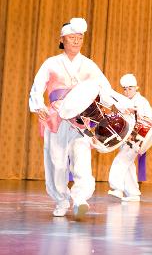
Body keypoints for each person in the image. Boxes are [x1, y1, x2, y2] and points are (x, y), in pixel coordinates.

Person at [29, 18, 123, 218]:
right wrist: (38, 105)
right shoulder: (52, 63)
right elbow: (38, 86)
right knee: (57, 161)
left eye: (79, 38)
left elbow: (104, 87)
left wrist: (122, 105)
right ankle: (61, 200)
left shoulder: (88, 65)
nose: (76, 41)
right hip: (57, 116)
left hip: (82, 118)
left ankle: (80, 199)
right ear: (62, 39)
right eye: (72, 37)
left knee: (82, 159)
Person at [107, 74, 152, 201]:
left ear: (136, 88)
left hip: (136, 138)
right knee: (128, 165)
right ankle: (134, 193)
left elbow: (150, 121)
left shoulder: (142, 102)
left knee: (121, 161)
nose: (127, 91)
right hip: (124, 138)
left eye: (130, 88)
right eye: (125, 89)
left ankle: (117, 189)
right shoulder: (123, 101)